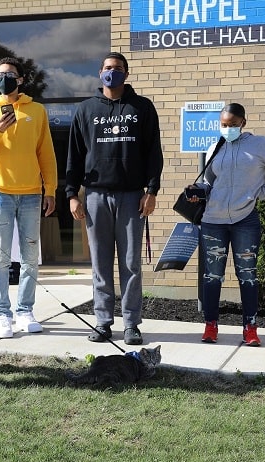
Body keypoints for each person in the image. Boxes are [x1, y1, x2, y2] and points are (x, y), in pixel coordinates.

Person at [66, 51, 164, 346]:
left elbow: (153, 153)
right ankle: (103, 322)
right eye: (108, 68)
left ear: (127, 73)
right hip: (95, 196)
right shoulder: (86, 110)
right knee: (100, 263)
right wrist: (72, 194)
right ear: (100, 73)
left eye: (118, 68)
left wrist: (152, 191)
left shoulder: (142, 107)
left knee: (131, 263)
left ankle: (132, 324)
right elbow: (74, 156)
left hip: (132, 197)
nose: (113, 72)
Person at [0, 57, 58, 339]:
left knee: (30, 256)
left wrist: (50, 189)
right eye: (0, 74)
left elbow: (46, 154)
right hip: (0, 193)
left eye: (10, 74)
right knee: (0, 257)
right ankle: (1, 313)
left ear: (20, 79)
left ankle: (25, 311)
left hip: (32, 193)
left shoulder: (37, 111)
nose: (4, 78)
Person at [197, 103, 265, 346]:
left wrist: (263, 193)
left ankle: (250, 328)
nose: (227, 128)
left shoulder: (259, 145)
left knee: (248, 275)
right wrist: (198, 192)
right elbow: (209, 182)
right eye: (223, 124)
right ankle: (210, 326)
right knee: (212, 276)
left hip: (245, 220)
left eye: (232, 124)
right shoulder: (215, 147)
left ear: (243, 123)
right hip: (213, 220)